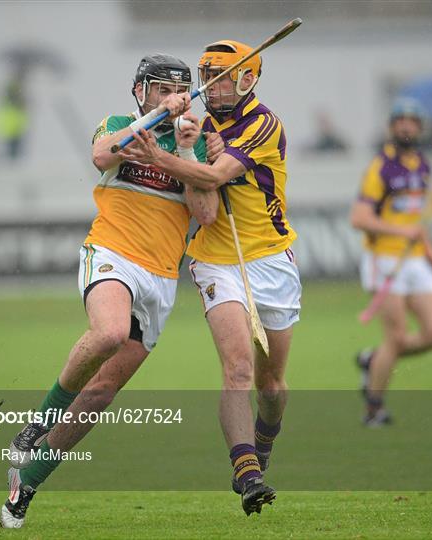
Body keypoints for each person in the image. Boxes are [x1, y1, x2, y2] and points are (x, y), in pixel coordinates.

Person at [0, 53, 223, 528]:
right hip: (111, 253)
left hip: (161, 277)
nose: (169, 97)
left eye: (175, 90)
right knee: (108, 333)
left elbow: (205, 215)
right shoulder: (119, 124)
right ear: (140, 90)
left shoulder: (196, 142)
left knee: (101, 393)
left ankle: (28, 482)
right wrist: (158, 116)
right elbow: (102, 156)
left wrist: (184, 150)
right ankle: (38, 423)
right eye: (160, 88)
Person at [117, 40, 302, 515]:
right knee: (237, 367)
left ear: (247, 80)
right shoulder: (197, 120)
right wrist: (172, 124)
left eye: (224, 77)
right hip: (215, 260)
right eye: (209, 76)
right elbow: (148, 131)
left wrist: (157, 157)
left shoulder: (263, 123)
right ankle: (247, 473)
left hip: (270, 258)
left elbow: (216, 175)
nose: (213, 87)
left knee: (273, 387)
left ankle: (263, 444)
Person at [350, 98, 432, 427]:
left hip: (416, 261)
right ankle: (373, 409)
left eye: (412, 122)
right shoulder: (381, 167)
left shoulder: (423, 166)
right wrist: (400, 230)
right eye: (400, 121)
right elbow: (360, 217)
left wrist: (429, 249)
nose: (406, 127)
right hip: (384, 260)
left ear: (420, 128)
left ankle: (373, 361)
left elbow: (416, 220)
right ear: (392, 127)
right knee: (396, 336)